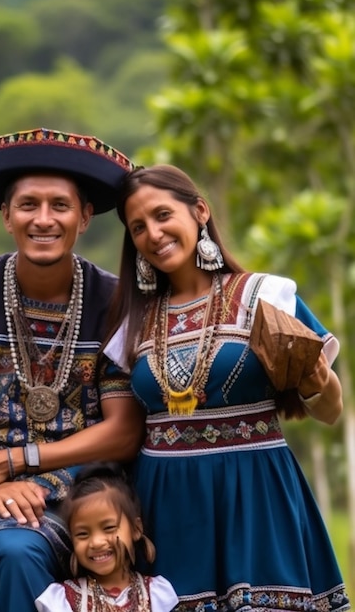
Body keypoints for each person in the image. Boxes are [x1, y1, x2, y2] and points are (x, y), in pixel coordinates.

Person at [103, 164, 350, 612]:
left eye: (162, 215)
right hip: (168, 502)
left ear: (199, 210)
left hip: (256, 491)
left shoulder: (267, 296)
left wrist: (317, 380)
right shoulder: (132, 323)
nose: (153, 234)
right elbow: (125, 428)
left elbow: (330, 410)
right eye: (138, 227)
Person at [0, 128, 146, 612]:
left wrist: (16, 462)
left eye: (61, 205)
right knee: (14, 549)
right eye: (28, 205)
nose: (44, 219)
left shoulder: (115, 301)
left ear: (86, 216)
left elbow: (122, 432)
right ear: (6, 215)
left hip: (84, 491)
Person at [35, 461, 178, 612]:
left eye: (109, 528)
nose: (96, 542)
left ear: (136, 529)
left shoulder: (157, 594)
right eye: (82, 534)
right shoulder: (61, 600)